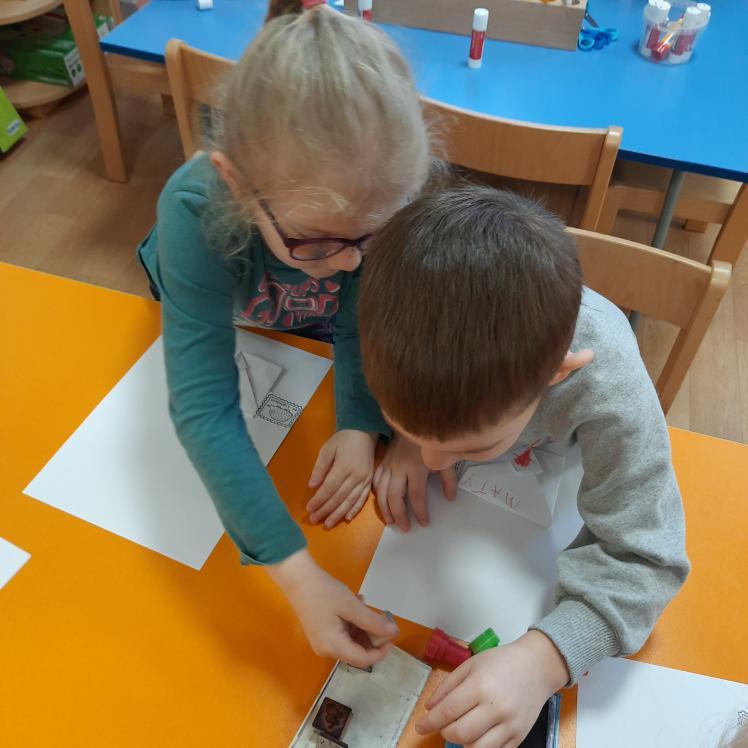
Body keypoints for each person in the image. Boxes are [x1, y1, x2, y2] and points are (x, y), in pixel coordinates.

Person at [137, 0, 433, 668]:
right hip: (213, 300)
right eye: (318, 241)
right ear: (236, 182)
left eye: (373, 236)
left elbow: (360, 316)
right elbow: (204, 408)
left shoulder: (363, 205)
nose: (353, 262)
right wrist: (297, 577)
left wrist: (361, 423)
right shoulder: (193, 209)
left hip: (303, 326)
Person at [359, 186, 690, 747]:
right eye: (412, 428)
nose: (436, 463)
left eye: (471, 447)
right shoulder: (396, 314)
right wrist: (405, 439)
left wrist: (544, 659)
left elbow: (648, 559)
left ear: (557, 375)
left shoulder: (609, 388)